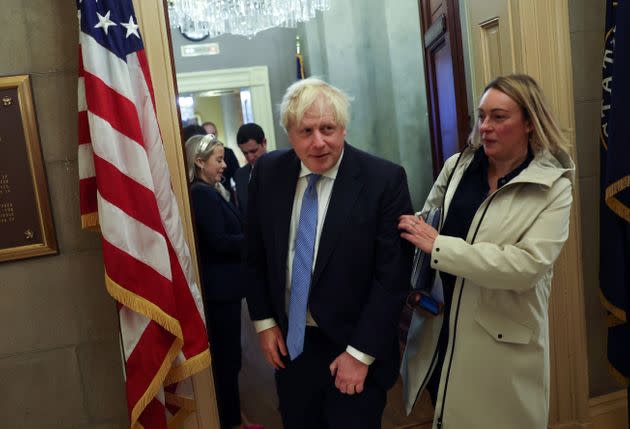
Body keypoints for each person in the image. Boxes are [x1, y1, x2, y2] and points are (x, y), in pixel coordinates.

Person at [398, 74, 575, 429]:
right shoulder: (457, 167)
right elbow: (426, 223)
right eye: (482, 116)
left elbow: (526, 266)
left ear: (529, 122)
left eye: (499, 117)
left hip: (499, 344)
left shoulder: (553, 187)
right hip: (440, 328)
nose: (486, 127)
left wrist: (440, 247)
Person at [245, 77, 413, 428]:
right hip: (292, 346)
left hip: (353, 347)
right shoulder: (268, 173)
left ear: (344, 128)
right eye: (306, 131)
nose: (318, 142)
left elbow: (392, 278)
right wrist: (264, 322)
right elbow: (255, 253)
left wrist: (360, 353)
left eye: (328, 128)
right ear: (289, 134)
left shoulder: (383, 179)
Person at [184, 134, 262, 429]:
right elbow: (217, 242)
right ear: (199, 161)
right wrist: (256, 240)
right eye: (218, 160)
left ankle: (237, 418)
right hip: (220, 291)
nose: (224, 165)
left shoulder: (211, 191)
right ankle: (232, 423)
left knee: (232, 358)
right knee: (227, 360)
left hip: (226, 289)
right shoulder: (202, 194)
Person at [234, 123, 268, 215]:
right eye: (245, 153)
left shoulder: (282, 168)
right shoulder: (240, 175)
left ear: (264, 143)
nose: (250, 157)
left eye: (253, 151)